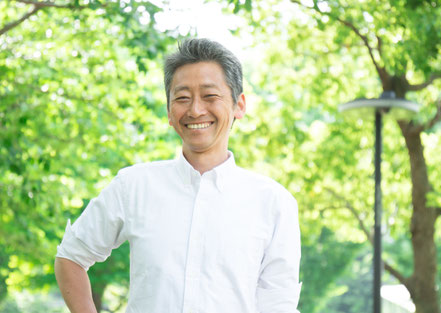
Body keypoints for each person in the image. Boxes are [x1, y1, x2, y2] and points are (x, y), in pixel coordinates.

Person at [55, 38, 302, 313]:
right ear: (170, 112)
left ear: (238, 105)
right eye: (183, 98)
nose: (195, 110)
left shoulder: (274, 202)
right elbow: (70, 258)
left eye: (210, 96)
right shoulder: (133, 186)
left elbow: (278, 303)